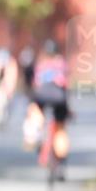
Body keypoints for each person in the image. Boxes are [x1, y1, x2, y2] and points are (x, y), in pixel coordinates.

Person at [31, 39, 70, 173]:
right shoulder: (62, 64)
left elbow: (36, 83)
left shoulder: (41, 64)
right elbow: (65, 85)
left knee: (36, 113)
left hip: (41, 95)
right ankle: (61, 161)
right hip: (59, 96)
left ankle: (37, 134)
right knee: (60, 129)